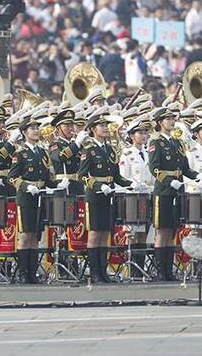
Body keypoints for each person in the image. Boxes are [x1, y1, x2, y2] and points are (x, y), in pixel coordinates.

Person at [78, 110, 132, 283]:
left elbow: (116, 176)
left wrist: (130, 184)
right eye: (101, 125)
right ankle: (95, 273)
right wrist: (98, 185)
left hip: (109, 194)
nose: (105, 128)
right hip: (95, 195)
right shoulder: (89, 149)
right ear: (93, 129)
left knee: (105, 233)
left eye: (106, 125)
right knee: (94, 234)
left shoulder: (110, 149)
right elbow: (83, 175)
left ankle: (103, 271)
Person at [9, 115, 62, 284]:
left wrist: (58, 184)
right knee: (25, 235)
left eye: (37, 128)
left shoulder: (42, 152)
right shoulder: (20, 153)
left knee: (35, 236)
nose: (36, 131)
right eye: (32, 129)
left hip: (39, 196)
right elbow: (13, 177)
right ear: (24, 132)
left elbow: (47, 178)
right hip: (26, 197)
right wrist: (26, 186)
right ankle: (24, 272)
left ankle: (32, 272)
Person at [148, 107, 198, 281]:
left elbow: (184, 168)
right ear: (160, 122)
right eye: (167, 119)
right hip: (163, 191)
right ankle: (161, 271)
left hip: (178, 190)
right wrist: (170, 181)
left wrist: (199, 176)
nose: (171, 121)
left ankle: (169, 271)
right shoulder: (155, 142)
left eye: (172, 118)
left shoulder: (177, 142)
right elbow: (154, 168)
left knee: (172, 232)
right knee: (162, 232)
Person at [119, 117, 154, 278]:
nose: (144, 135)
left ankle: (140, 267)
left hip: (147, 195)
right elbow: (122, 177)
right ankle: (132, 268)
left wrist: (152, 187)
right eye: (140, 133)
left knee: (144, 232)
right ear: (132, 136)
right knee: (133, 233)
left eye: (145, 132)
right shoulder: (127, 153)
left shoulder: (149, 153)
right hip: (133, 197)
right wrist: (131, 185)